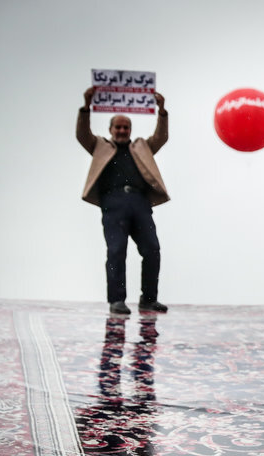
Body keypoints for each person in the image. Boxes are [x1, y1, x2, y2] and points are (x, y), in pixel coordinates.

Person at [77, 86, 171, 315]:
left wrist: (162, 111)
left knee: (152, 249)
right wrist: (86, 107)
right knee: (116, 250)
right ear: (110, 129)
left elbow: (161, 137)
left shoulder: (141, 146)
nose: (122, 131)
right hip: (113, 202)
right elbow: (82, 135)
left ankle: (148, 299)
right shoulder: (100, 146)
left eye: (125, 127)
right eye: (118, 127)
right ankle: (117, 300)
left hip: (140, 202)